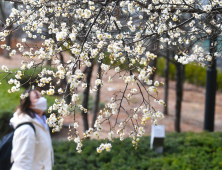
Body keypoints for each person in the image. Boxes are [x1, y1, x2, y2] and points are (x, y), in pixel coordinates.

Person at [10, 89, 54, 170]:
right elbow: (22, 164)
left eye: (41, 96)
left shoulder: (42, 123)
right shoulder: (26, 128)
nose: (42, 99)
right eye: (37, 97)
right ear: (29, 105)